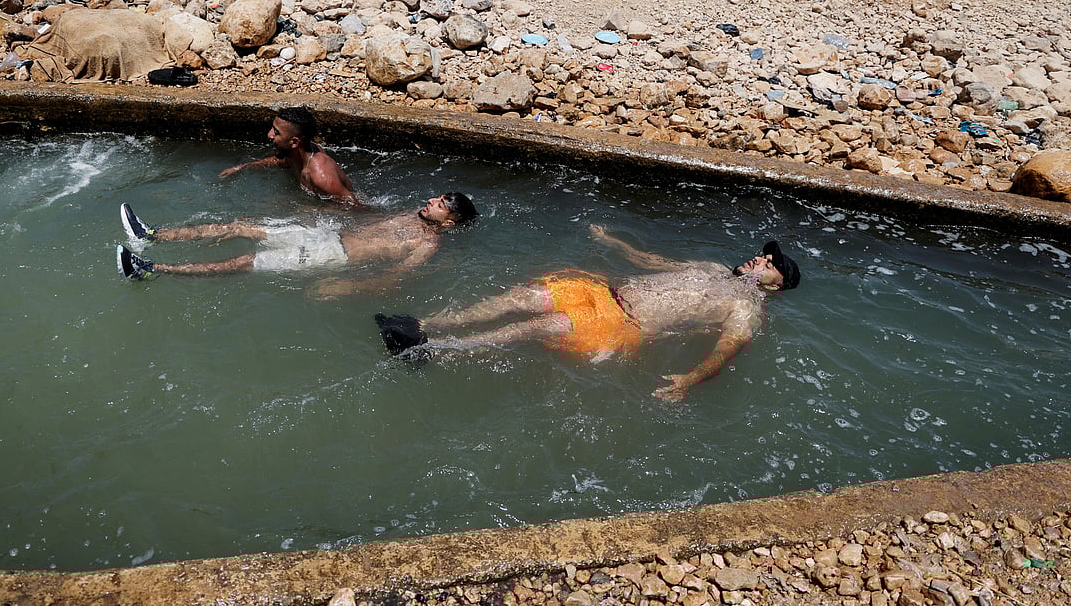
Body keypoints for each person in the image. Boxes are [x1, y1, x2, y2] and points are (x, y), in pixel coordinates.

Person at [375, 225, 800, 401]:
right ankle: (420, 325)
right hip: (602, 291)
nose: (757, 260)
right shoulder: (711, 268)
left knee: (533, 326)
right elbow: (651, 261)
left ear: (776, 284)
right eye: (761, 256)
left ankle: (435, 350)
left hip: (619, 323)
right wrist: (614, 243)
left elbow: (730, 348)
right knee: (517, 298)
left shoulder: (745, 307)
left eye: (768, 264)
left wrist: (689, 379)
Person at [115, 192, 478, 297]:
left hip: (331, 254)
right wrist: (314, 212)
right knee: (242, 226)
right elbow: (364, 217)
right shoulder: (410, 213)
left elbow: (397, 277)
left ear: (449, 222)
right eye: (438, 197)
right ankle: (151, 235)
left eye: (440, 205)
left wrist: (350, 287)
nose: (432, 201)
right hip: (325, 235)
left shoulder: (427, 246)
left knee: (244, 260)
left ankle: (150, 271)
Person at [219, 106, 359, 205]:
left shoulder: (321, 176)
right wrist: (241, 168)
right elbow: (277, 161)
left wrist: (310, 211)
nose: (269, 135)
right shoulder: (295, 154)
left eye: (276, 132)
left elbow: (355, 207)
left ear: (294, 142)